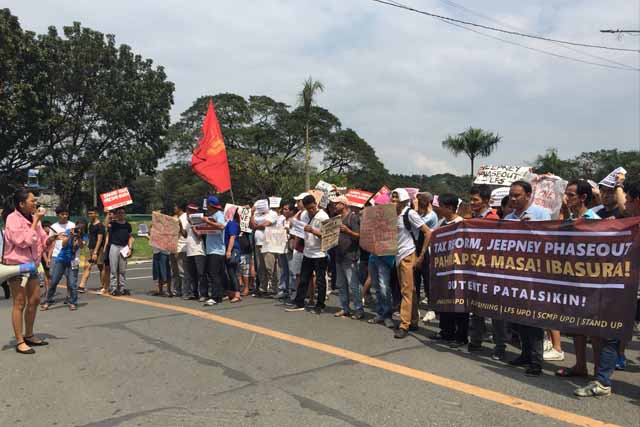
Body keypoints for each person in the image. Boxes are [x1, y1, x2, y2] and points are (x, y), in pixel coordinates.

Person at [555, 180, 602, 378]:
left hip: (591, 283)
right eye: (566, 194)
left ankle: (600, 373)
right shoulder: (571, 219)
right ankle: (580, 365)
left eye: (571, 194)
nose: (567, 198)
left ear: (583, 197)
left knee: (594, 329)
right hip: (573, 280)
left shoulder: (593, 220)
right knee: (576, 326)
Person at [505, 180, 551, 377]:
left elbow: (549, 241)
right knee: (519, 316)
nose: (513, 199)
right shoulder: (508, 217)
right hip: (515, 274)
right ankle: (524, 353)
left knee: (534, 319)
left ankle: (536, 360)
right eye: (511, 195)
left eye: (517, 195)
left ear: (528, 195)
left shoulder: (541, 214)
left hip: (535, 275)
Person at [3, 189, 49, 354]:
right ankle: (20, 341)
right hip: (18, 266)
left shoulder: (33, 217)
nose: (35, 203)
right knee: (19, 302)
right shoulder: (12, 219)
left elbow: (41, 238)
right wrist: (36, 221)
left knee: (35, 299)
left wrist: (51, 239)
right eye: (32, 201)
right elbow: (23, 241)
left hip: (32, 266)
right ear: (21, 204)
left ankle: (29, 335)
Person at [467, 185, 507, 360]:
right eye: (471, 199)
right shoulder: (471, 218)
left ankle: (500, 346)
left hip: (491, 271)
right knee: (476, 306)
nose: (472, 203)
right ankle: (475, 340)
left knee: (496, 310)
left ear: (485, 200)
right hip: (476, 268)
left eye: (475, 200)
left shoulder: (494, 219)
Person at [391, 188, 431, 339]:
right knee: (410, 289)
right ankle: (413, 320)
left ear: (403, 200)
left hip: (408, 254)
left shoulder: (410, 213)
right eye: (392, 198)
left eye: (396, 198)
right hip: (398, 254)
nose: (393, 201)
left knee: (406, 291)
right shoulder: (393, 214)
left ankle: (404, 325)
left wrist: (421, 256)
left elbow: (428, 232)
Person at [430, 193, 466, 346]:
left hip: (457, 271)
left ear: (450, 207)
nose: (439, 209)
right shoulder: (442, 222)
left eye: (442, 206)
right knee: (444, 302)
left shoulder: (461, 223)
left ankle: (461, 337)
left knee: (458, 305)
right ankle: (446, 332)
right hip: (443, 269)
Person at [285, 194, 329, 314]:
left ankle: (320, 305)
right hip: (307, 251)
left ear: (316, 204)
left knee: (320, 281)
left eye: (312, 208)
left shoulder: (323, 216)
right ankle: (299, 302)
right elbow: (299, 228)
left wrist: (313, 231)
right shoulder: (304, 214)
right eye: (308, 208)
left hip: (320, 253)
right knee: (303, 278)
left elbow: (328, 236)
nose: (311, 210)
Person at [42, 220, 86, 311]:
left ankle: (73, 302)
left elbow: (81, 246)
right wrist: (70, 235)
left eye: (82, 228)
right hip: (61, 260)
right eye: (78, 227)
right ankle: (48, 301)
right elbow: (63, 244)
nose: (79, 229)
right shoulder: (68, 232)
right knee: (54, 281)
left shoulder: (84, 236)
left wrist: (78, 237)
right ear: (75, 226)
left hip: (73, 261)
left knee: (72, 283)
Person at [331, 196, 363, 320]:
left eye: (336, 204)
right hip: (339, 255)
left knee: (353, 285)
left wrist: (348, 231)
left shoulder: (353, 218)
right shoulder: (337, 219)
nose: (334, 206)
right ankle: (345, 308)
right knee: (341, 284)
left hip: (350, 256)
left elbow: (359, 236)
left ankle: (358, 309)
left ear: (343, 205)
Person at [414, 192, 437, 322]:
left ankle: (431, 309)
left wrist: (416, 209)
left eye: (422, 199)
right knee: (416, 281)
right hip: (416, 250)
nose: (419, 201)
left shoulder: (431, 216)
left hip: (427, 252)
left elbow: (418, 224)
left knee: (428, 282)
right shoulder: (419, 214)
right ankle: (415, 308)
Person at [201, 196, 226, 306]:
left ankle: (215, 297)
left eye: (208, 205)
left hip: (217, 250)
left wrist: (207, 221)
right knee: (214, 273)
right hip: (211, 249)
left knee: (214, 273)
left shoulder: (218, 215)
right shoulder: (211, 216)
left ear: (211, 205)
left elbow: (221, 226)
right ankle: (219, 294)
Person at [250, 200, 279, 297]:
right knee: (261, 267)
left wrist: (256, 226)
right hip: (258, 243)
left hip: (269, 243)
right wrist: (251, 214)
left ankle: (273, 288)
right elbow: (251, 225)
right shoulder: (256, 214)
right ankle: (263, 288)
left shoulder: (272, 213)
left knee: (270, 267)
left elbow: (265, 224)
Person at [105, 207, 134, 296]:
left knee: (122, 270)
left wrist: (130, 248)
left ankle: (122, 288)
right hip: (114, 246)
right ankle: (113, 288)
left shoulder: (128, 225)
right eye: (119, 213)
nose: (121, 214)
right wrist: (107, 214)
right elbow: (105, 225)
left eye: (122, 213)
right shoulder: (113, 223)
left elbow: (130, 237)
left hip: (124, 247)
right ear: (116, 214)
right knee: (113, 269)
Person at [78, 207, 105, 292]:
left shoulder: (100, 225)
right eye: (89, 214)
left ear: (96, 214)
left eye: (91, 213)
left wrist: (95, 252)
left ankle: (104, 286)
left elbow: (100, 239)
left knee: (101, 267)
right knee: (87, 266)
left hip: (98, 249)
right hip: (91, 248)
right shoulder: (90, 225)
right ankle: (82, 286)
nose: (90, 215)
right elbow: (90, 237)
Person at [183, 202, 206, 300]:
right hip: (189, 250)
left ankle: (203, 294)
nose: (189, 212)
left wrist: (192, 224)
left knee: (201, 273)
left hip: (198, 250)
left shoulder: (199, 221)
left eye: (192, 210)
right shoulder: (187, 222)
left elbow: (199, 235)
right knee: (192, 274)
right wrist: (180, 226)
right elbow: (185, 235)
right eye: (188, 210)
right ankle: (194, 292)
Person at [170, 203, 189, 297]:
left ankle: (185, 290)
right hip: (173, 247)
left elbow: (185, 233)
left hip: (182, 247)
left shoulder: (185, 218)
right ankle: (177, 290)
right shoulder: (174, 217)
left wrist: (180, 225)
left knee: (182, 271)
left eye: (175, 206)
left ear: (180, 208)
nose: (174, 208)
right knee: (175, 271)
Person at [224, 210, 242, 303]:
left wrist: (228, 251)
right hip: (231, 249)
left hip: (233, 249)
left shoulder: (232, 224)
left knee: (233, 272)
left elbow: (232, 237)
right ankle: (231, 292)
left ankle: (237, 294)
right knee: (230, 273)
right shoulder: (231, 223)